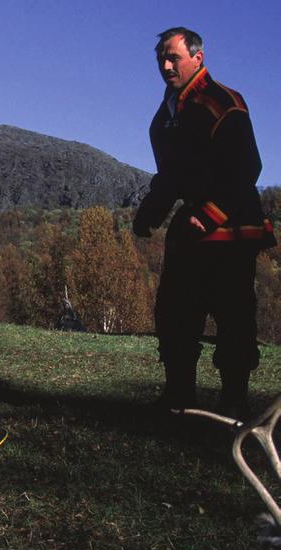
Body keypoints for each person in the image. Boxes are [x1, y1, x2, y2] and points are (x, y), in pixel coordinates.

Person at [133, 27, 276, 419]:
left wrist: (209, 213)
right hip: (191, 227)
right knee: (175, 310)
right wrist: (150, 214)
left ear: (198, 57)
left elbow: (248, 166)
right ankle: (179, 398)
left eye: (173, 57)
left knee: (232, 314)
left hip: (231, 226)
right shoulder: (166, 116)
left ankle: (234, 402)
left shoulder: (223, 103)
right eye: (161, 58)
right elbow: (172, 177)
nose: (165, 66)